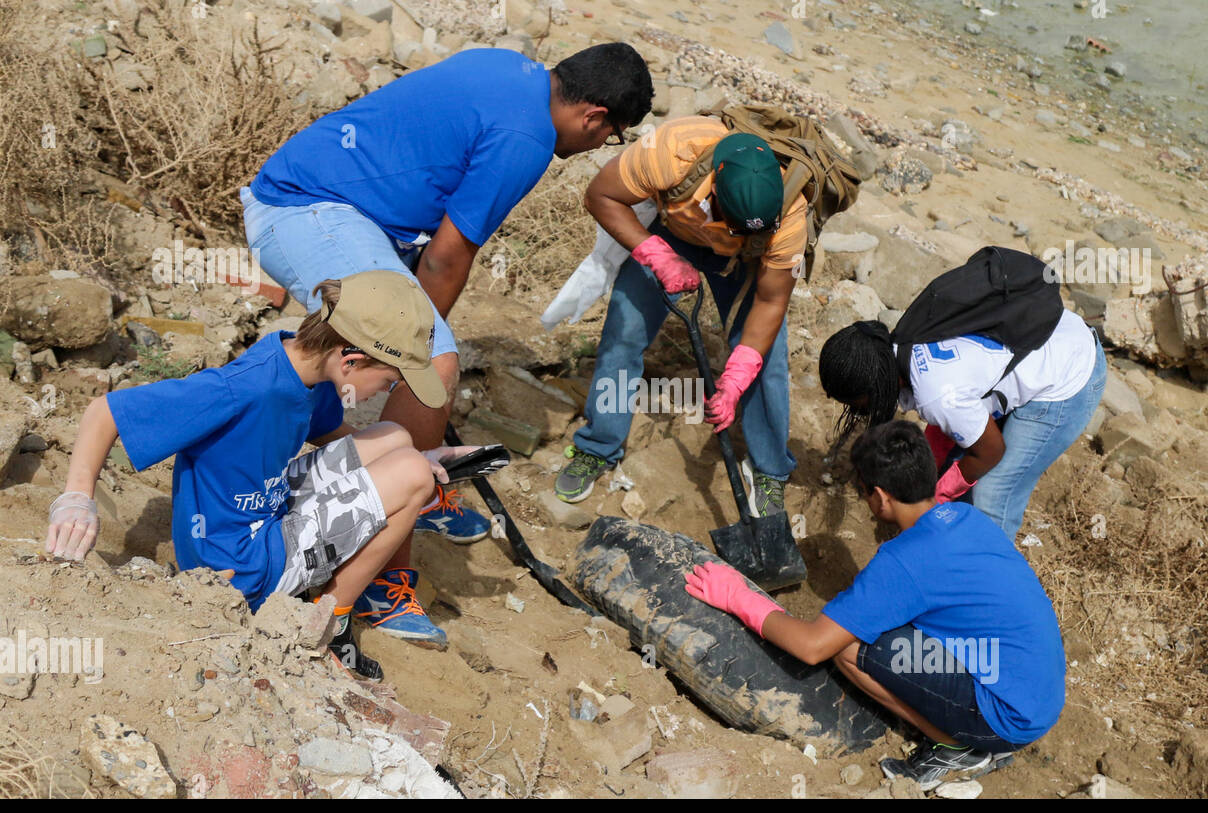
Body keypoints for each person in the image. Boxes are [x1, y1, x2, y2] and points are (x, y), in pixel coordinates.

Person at [242, 43, 652, 643]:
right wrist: (412, 353)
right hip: (307, 210)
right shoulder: (527, 137)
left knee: (420, 356)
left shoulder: (510, 67)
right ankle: (382, 575)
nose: (598, 149)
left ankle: (389, 479)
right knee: (435, 357)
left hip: (344, 205)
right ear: (593, 116)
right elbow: (446, 255)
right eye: (610, 136)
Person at [45, 271, 480, 680]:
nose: (387, 391)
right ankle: (324, 626)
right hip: (238, 568)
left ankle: (335, 578)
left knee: (395, 438)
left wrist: (417, 453)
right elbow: (105, 412)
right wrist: (77, 497)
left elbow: (322, 427)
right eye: (389, 379)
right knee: (412, 475)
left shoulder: (295, 360)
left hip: (263, 511)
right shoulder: (243, 388)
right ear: (351, 359)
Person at [684, 420, 1066, 790]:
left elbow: (814, 646)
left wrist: (738, 596)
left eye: (865, 492)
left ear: (881, 496)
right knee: (891, 624)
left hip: (1004, 716)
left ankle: (956, 748)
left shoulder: (902, 562)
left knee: (849, 646)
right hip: (1038, 691)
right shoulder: (966, 516)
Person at [556, 116, 806, 516]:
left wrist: (737, 375)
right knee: (624, 333)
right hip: (674, 233)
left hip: (745, 259)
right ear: (716, 186)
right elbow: (601, 195)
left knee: (766, 359)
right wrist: (654, 253)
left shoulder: (791, 213)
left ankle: (770, 469)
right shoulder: (672, 152)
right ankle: (598, 445)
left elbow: (771, 301)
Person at [818, 305, 1106, 541]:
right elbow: (948, 421)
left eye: (857, 403)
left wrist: (935, 500)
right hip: (1047, 333)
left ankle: (985, 588)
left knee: (992, 494)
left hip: (1070, 375)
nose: (857, 411)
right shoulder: (905, 342)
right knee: (954, 466)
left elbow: (990, 450)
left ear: (876, 384)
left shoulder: (937, 395)